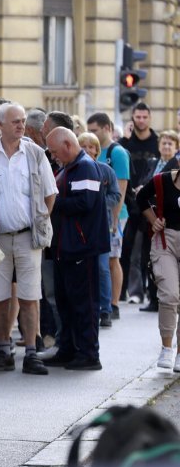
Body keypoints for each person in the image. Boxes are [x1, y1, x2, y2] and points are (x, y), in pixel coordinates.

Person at [0, 103, 56, 376]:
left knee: (30, 296)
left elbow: (49, 192)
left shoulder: (35, 153)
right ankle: (2, 349)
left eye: (22, 121)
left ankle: (32, 352)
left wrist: (41, 220)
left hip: (27, 237)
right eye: (15, 121)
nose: (21, 125)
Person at [43, 127, 109, 371]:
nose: (53, 156)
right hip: (66, 246)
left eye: (54, 151)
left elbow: (85, 202)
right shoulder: (70, 167)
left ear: (68, 145)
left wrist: (52, 199)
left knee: (84, 304)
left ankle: (89, 353)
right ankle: (68, 348)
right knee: (67, 302)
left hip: (82, 247)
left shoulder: (85, 166)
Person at [86, 112, 129, 323]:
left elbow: (120, 188)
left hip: (114, 216)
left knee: (112, 260)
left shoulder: (117, 153)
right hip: (95, 217)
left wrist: (114, 222)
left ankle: (113, 303)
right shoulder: (91, 157)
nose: (91, 134)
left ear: (106, 128)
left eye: (94, 130)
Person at [137, 167, 180, 371]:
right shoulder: (162, 180)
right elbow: (141, 198)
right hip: (165, 242)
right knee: (169, 295)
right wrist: (153, 220)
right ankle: (166, 348)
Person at [77, 132, 121, 329]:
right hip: (80, 229)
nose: (87, 150)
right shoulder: (75, 170)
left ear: (97, 150)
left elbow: (116, 195)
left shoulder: (106, 171)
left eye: (91, 147)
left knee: (102, 268)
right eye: (83, 146)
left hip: (101, 226)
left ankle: (106, 309)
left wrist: (98, 204)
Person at [120, 102, 160, 306]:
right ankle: (123, 291)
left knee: (147, 251)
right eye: (138, 117)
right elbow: (118, 160)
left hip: (150, 203)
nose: (141, 120)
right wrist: (125, 139)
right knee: (126, 249)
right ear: (132, 118)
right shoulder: (126, 142)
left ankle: (145, 290)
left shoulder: (157, 142)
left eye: (145, 117)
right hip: (128, 202)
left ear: (150, 118)